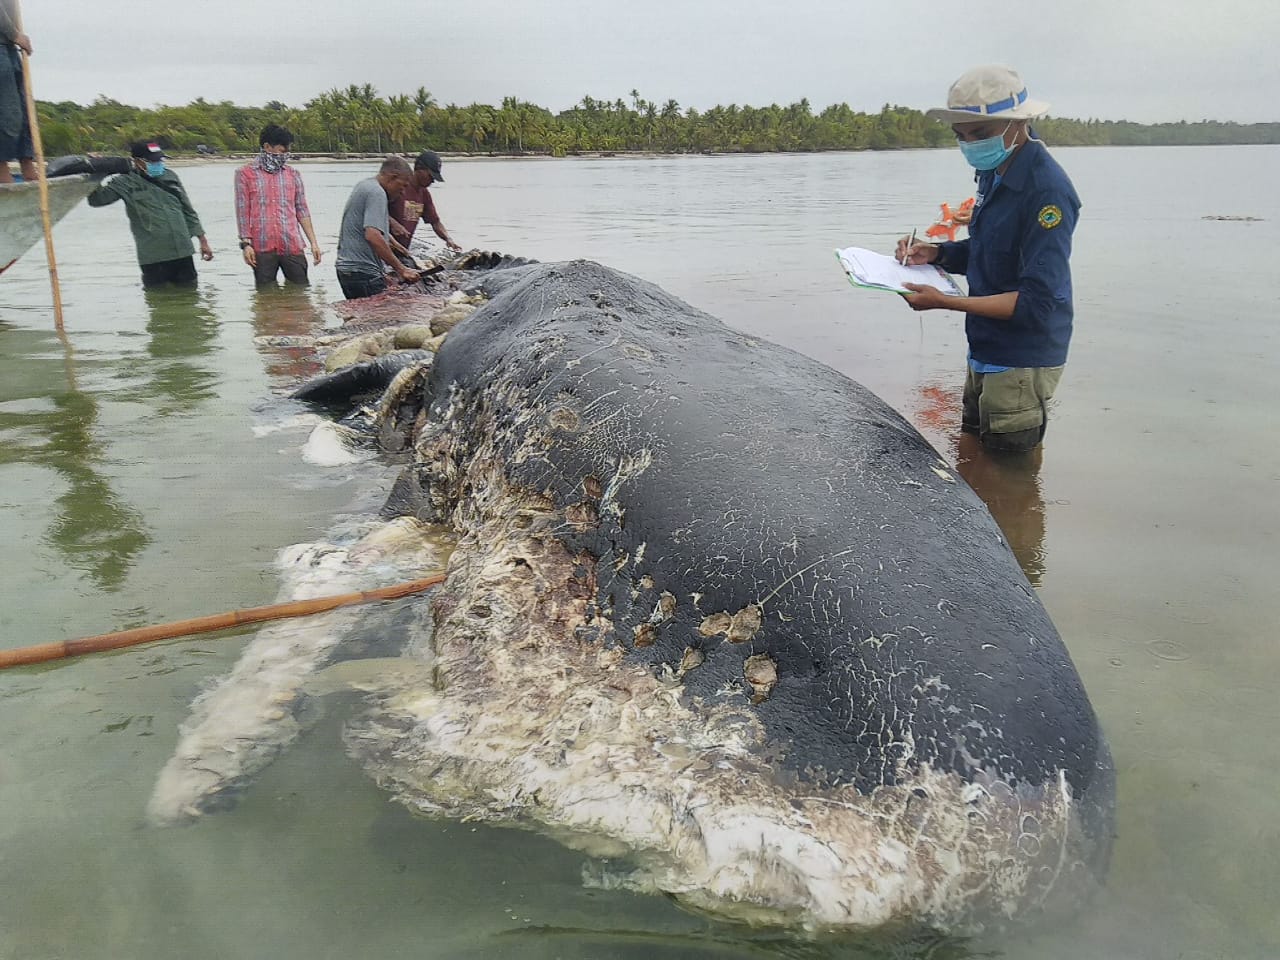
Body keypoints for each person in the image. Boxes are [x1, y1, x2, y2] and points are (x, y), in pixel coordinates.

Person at [896, 65, 1080, 454]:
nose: (969, 145)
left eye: (979, 134)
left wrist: (944, 301)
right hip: (985, 346)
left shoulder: (1047, 192)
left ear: (1018, 124)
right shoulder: (992, 171)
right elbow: (988, 253)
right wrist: (938, 252)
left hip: (1020, 360)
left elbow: (1035, 303)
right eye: (960, 136)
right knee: (974, 457)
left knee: (1012, 477)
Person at [88, 141, 214, 289]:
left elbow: (188, 210)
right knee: (158, 300)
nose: (158, 164)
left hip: (182, 250)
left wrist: (203, 240)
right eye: (152, 161)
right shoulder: (124, 182)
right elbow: (97, 200)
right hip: (153, 256)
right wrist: (97, 171)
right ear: (137, 161)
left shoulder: (170, 176)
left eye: (160, 160)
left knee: (190, 295)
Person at [234, 124, 322, 286]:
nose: (285, 155)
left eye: (287, 151)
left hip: (291, 243)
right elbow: (242, 212)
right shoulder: (245, 174)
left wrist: (313, 243)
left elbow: (302, 209)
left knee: (301, 291)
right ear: (267, 147)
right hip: (261, 247)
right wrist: (246, 244)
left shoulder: (293, 174)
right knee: (266, 297)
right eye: (282, 151)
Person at [334, 155, 420, 300]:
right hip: (362, 272)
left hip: (347, 270)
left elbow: (371, 229)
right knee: (381, 320)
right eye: (403, 185)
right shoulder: (377, 193)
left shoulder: (365, 185)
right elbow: (373, 235)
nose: (403, 192)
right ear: (393, 177)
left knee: (359, 319)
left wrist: (396, 246)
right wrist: (401, 269)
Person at [389, 149, 461, 254]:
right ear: (419, 169)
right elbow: (374, 211)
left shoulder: (424, 194)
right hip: (385, 248)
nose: (432, 181)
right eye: (430, 176)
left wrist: (448, 239)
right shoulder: (398, 187)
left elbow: (435, 222)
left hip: (402, 250)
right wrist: (393, 223)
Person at [0, 1, 36, 183]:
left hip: (9, 47)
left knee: (24, 109)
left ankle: (27, 164)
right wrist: (15, 35)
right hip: (4, 43)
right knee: (6, 112)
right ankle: (2, 171)